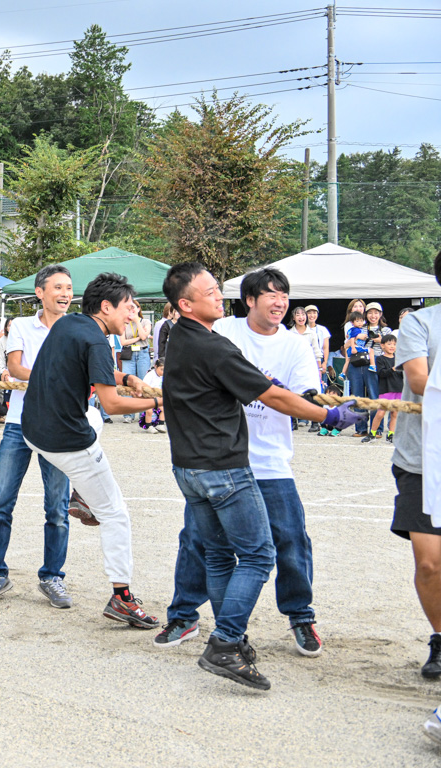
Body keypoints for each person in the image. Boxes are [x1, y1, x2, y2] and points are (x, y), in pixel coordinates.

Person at [161, 262, 360, 690]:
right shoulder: (218, 342)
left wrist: (314, 401)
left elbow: (296, 392)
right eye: (210, 292)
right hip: (225, 467)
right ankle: (224, 640)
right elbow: (271, 395)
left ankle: (292, 619)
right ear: (186, 304)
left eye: (284, 295)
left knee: (258, 547)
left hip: (203, 465)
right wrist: (329, 417)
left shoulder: (184, 336)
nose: (219, 296)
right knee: (256, 555)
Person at [19, 272, 161, 629]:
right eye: (128, 308)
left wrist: (126, 377)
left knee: (93, 417)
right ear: (106, 307)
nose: (132, 316)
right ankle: (122, 597)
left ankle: (81, 496)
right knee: (115, 514)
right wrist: (160, 403)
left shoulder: (70, 325)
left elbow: (95, 373)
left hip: (32, 429)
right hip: (65, 441)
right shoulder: (97, 341)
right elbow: (113, 405)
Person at [0, 264, 75, 608]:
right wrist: (58, 376)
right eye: (58, 287)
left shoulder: (77, 327)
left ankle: (52, 577)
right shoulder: (19, 325)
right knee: (0, 504)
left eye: (68, 288)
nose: (65, 294)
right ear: (40, 292)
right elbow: (16, 367)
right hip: (19, 424)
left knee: (58, 509)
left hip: (59, 426)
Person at [392, 260, 441, 683]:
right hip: (423, 459)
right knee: (429, 563)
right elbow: (420, 379)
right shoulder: (419, 323)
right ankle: (440, 638)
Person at [345, 308, 378, 437]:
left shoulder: (384, 329)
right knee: (358, 396)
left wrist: (374, 337)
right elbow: (346, 345)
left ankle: (376, 429)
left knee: (374, 395)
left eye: (376, 313)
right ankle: (361, 428)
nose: (373, 316)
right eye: (370, 313)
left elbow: (387, 342)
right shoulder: (353, 328)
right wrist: (355, 338)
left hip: (373, 362)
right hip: (356, 361)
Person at [370, 334, 403, 443]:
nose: (392, 346)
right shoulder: (380, 359)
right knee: (380, 413)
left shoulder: (399, 359)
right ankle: (372, 433)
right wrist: (393, 369)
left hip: (399, 389)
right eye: (389, 344)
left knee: (395, 413)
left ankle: (391, 435)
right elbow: (381, 373)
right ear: (382, 345)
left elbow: (404, 375)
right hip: (386, 389)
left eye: (394, 344)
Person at [139, 359, 165, 432]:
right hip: (148, 397)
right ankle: (148, 426)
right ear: (155, 366)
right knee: (149, 411)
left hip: (158, 397)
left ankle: (161, 424)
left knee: (164, 409)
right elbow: (144, 387)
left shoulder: (164, 376)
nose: (163, 372)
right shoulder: (150, 375)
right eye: (161, 369)